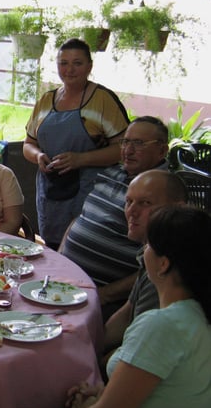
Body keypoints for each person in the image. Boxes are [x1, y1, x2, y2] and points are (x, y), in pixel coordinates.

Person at [51, 205, 211, 408]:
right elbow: (164, 396)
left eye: (147, 246)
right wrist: (103, 396)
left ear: (163, 264)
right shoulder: (197, 315)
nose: (143, 252)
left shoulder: (162, 326)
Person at [23, 38, 129, 249]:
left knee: (80, 247)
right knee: (52, 247)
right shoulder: (46, 100)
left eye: (77, 63)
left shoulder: (102, 100)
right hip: (50, 191)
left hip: (90, 193)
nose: (69, 69)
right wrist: (38, 156)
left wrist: (81, 159)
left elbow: (124, 149)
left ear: (89, 66)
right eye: (64, 63)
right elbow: (28, 143)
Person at [60, 116, 169, 317]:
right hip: (65, 281)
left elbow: (156, 266)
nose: (128, 150)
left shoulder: (164, 192)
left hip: (103, 298)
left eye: (139, 143)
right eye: (126, 142)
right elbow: (81, 218)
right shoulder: (110, 173)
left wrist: (105, 295)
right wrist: (59, 260)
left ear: (162, 150)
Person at [101, 170, 187, 366]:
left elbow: (140, 350)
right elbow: (126, 313)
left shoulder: (168, 268)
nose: (132, 211)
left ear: (178, 209)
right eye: (129, 202)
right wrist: (91, 345)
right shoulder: (150, 252)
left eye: (145, 203)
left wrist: (93, 362)